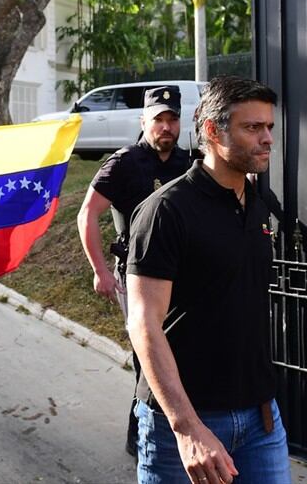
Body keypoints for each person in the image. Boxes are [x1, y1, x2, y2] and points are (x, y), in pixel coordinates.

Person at [126, 76, 290, 484]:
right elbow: (144, 324)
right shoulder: (166, 211)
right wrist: (187, 428)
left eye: (269, 126)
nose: (267, 138)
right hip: (180, 424)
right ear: (214, 131)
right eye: (252, 128)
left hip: (261, 421)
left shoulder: (257, 203)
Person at [77, 85, 191, 457]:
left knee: (173, 353)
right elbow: (88, 213)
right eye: (159, 119)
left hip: (180, 278)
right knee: (148, 355)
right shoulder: (124, 162)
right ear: (144, 121)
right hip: (135, 277)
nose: (167, 127)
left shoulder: (187, 164)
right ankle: (142, 435)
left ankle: (159, 429)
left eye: (172, 119)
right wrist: (99, 271)